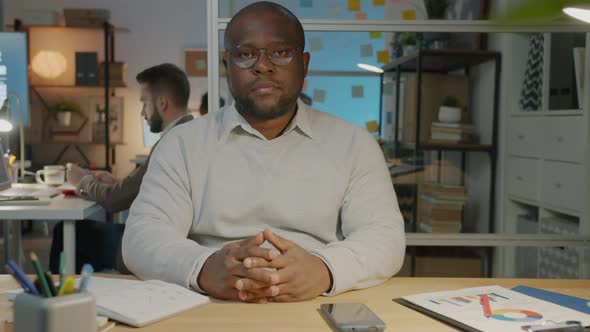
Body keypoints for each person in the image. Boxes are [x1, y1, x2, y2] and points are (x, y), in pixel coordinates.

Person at [122, 1, 405, 303]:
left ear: (305, 64)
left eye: (281, 52)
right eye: (245, 54)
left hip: (316, 303)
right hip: (209, 307)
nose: (263, 65)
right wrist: (203, 267)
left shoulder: (355, 145)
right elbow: (142, 236)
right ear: (225, 66)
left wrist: (325, 268)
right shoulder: (180, 144)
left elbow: (385, 238)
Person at [50, 63, 194, 273]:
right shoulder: (188, 134)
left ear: (162, 103)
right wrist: (117, 182)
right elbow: (148, 187)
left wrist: (81, 180)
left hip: (154, 247)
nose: (143, 113)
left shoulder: (171, 142)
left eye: (145, 103)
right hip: (169, 239)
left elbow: (114, 201)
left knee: (67, 232)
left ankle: (59, 301)